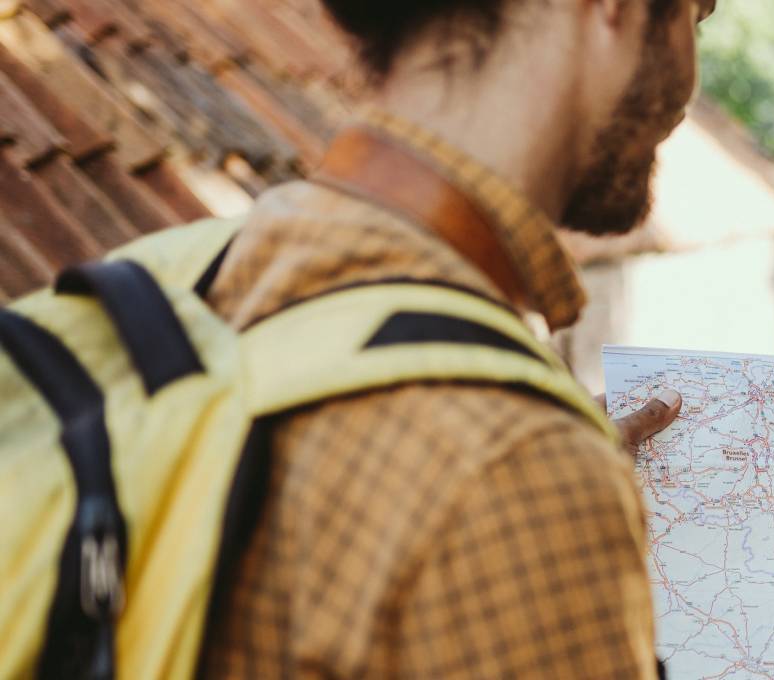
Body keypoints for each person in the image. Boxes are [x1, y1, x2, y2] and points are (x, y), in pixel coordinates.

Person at [197, 0, 712, 676]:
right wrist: (551, 482)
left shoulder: (214, 269)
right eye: (694, 16)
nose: (690, 79)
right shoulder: (519, 468)